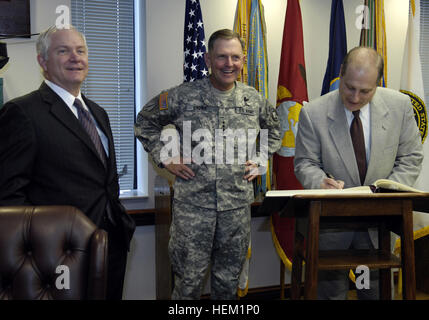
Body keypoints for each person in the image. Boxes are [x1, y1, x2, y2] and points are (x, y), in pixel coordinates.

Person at [135, 29, 281, 299]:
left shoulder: (254, 100)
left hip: (236, 208)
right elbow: (144, 122)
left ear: (243, 60)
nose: (229, 64)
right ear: (207, 59)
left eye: (235, 57)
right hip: (193, 208)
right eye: (221, 57)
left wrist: (261, 158)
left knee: (227, 285)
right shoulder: (182, 96)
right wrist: (166, 157)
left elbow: (275, 129)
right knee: (188, 284)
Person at [0, 26, 135, 300]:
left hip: (110, 246)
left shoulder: (98, 113)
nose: (75, 58)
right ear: (42, 61)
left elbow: (103, 180)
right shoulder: (22, 113)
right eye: (63, 51)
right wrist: (36, 250)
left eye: (81, 51)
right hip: (56, 255)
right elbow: (8, 194)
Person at [294, 46, 423, 300]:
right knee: (331, 293)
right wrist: (319, 181)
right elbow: (305, 162)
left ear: (378, 83)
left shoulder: (399, 106)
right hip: (331, 224)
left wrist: (389, 189)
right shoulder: (314, 113)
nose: (355, 97)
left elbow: (411, 158)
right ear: (341, 73)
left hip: (378, 222)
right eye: (349, 87)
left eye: (365, 91)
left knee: (372, 291)